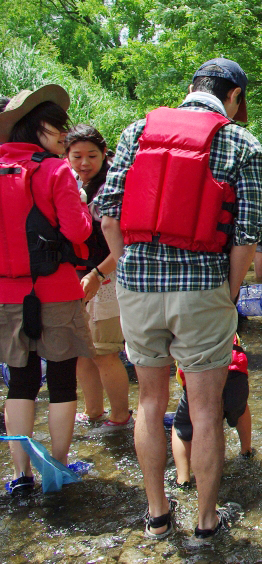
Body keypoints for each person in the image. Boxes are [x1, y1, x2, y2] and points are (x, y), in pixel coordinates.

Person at [97, 58, 262, 538]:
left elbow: (109, 214)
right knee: (207, 409)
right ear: (233, 96)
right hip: (203, 289)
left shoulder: (136, 132)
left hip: (137, 288)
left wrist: (128, 270)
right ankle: (207, 521)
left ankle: (156, 516)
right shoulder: (242, 143)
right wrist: (228, 296)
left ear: (191, 88)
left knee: (150, 402)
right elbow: (246, 234)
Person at [0, 85, 94, 495]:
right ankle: (57, 467)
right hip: (56, 289)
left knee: (19, 382)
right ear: (39, 125)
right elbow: (78, 230)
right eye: (59, 127)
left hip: (6, 293)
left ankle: (20, 473)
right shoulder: (55, 170)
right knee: (60, 380)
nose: (63, 135)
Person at [66, 125, 132, 430]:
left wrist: (98, 273)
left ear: (104, 154)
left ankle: (120, 416)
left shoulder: (111, 187)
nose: (84, 163)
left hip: (107, 278)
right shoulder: (73, 185)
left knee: (104, 352)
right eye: (76, 156)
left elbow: (123, 239)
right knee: (82, 352)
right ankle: (93, 411)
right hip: (80, 278)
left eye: (91, 155)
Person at [171, 334, 253, 489]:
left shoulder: (181, 326)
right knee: (241, 409)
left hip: (200, 375)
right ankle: (246, 451)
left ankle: (183, 479)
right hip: (236, 373)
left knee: (181, 426)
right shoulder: (227, 322)